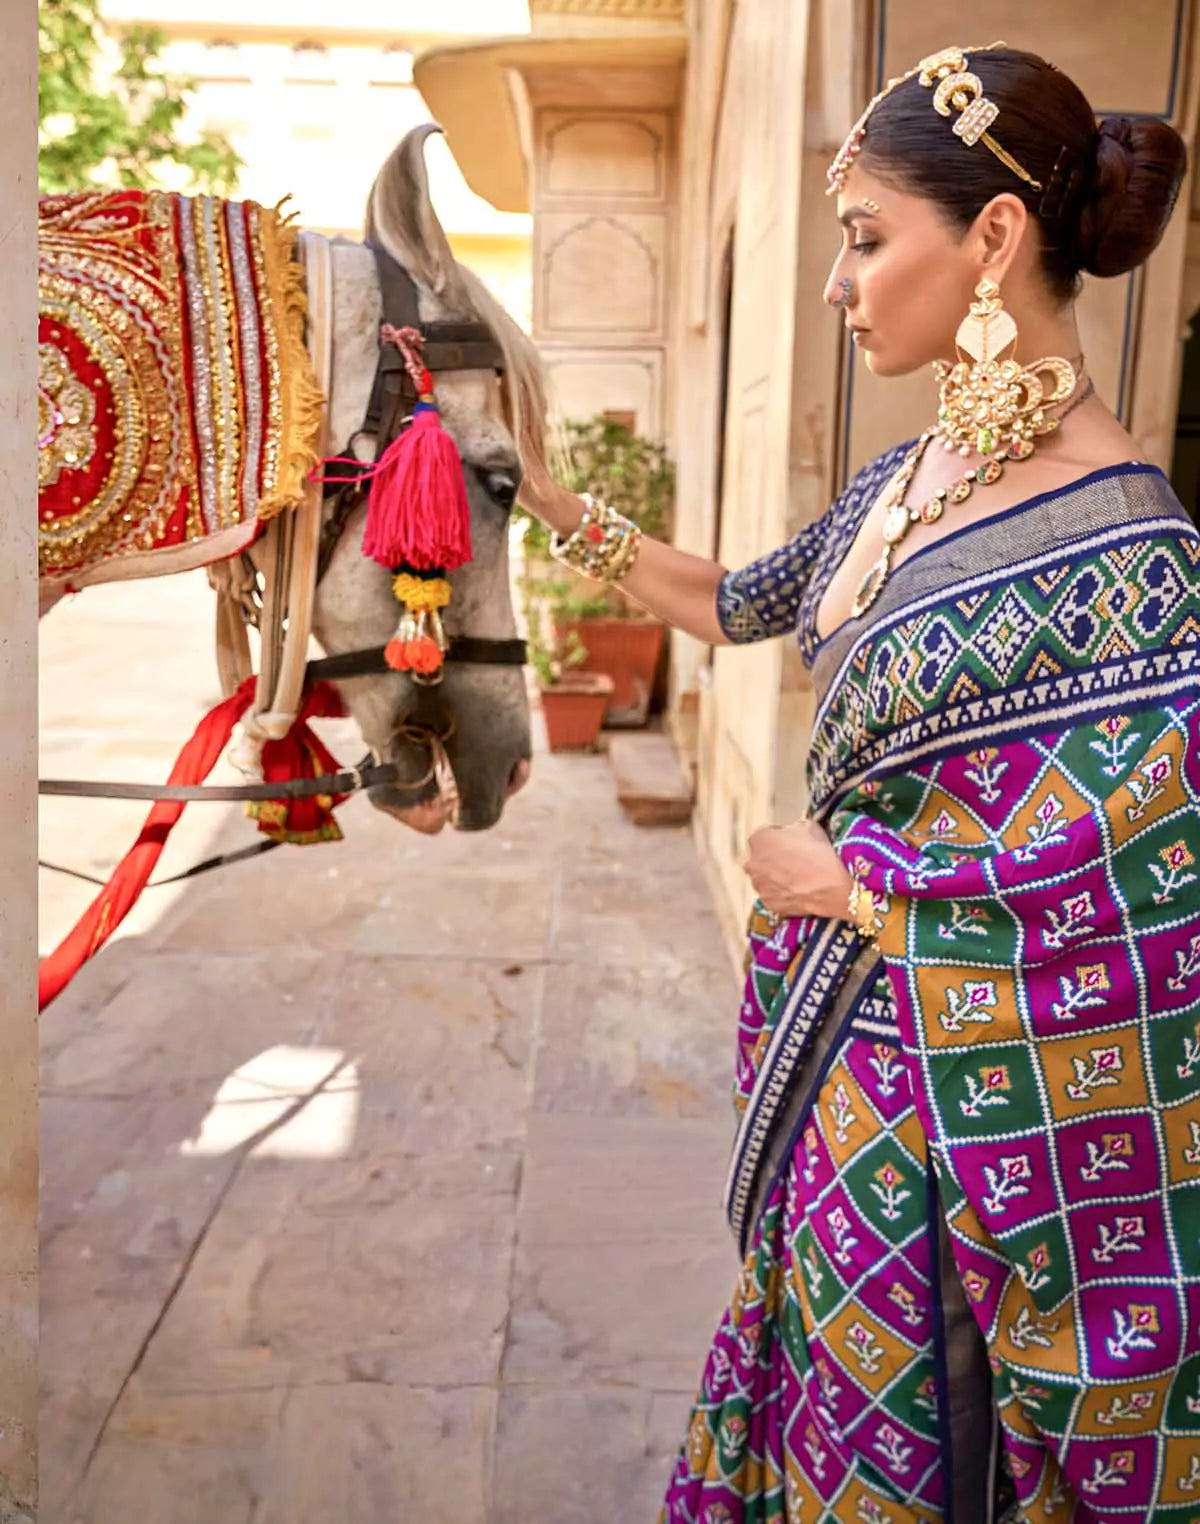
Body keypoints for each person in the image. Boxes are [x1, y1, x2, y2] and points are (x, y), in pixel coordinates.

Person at [517, 42, 1200, 1524]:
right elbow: (731, 602)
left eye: (868, 239)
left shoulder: (1136, 549)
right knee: (819, 1415)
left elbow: (1153, 899)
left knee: (911, 1448)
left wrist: (859, 889)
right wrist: (548, 502)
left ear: (994, 238)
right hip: (839, 1077)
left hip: (972, 1128)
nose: (837, 284)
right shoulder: (912, 477)